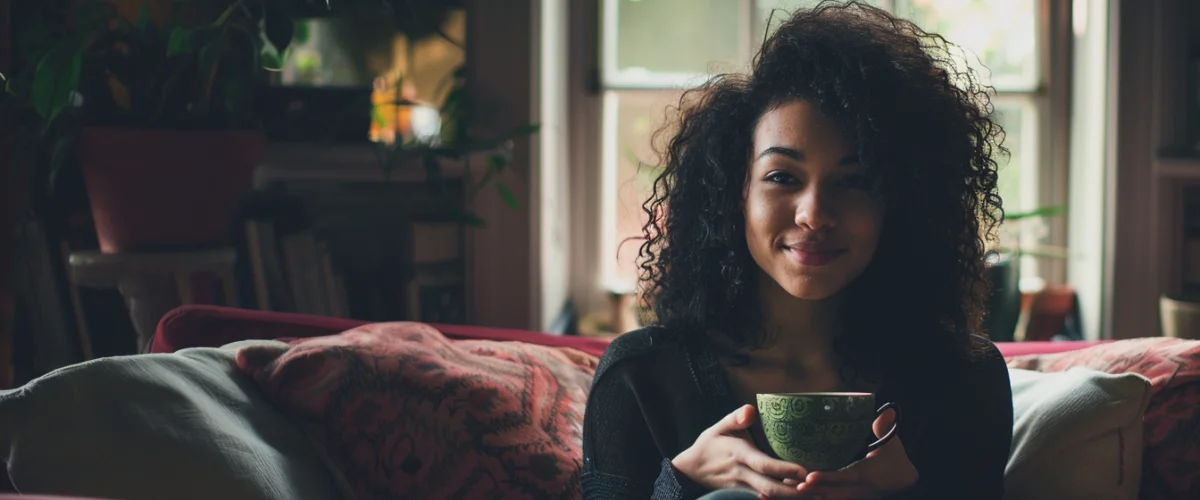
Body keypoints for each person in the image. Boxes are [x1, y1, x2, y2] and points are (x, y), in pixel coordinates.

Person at [580, 2, 1013, 499]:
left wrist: (911, 491)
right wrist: (681, 480)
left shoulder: (964, 380)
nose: (814, 213)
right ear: (734, 193)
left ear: (903, 204)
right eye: (782, 177)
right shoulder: (641, 376)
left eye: (855, 182)